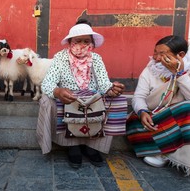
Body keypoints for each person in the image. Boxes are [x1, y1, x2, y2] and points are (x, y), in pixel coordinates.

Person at [126, 35, 190, 179]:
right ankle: (167, 150)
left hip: (183, 118)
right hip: (157, 117)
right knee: (133, 120)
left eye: (162, 54)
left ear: (180, 55)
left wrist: (180, 75)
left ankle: (165, 153)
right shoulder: (150, 70)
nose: (156, 58)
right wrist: (142, 111)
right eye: (156, 52)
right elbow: (139, 97)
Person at [37, 20, 125, 168]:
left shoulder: (96, 59)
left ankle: (92, 147)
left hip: (92, 96)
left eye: (87, 41)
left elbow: (104, 84)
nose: (82, 45)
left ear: (92, 43)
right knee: (46, 100)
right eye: (78, 41)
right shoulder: (60, 57)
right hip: (68, 96)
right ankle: (73, 146)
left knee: (119, 100)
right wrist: (58, 91)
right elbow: (47, 83)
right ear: (70, 42)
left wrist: (112, 89)